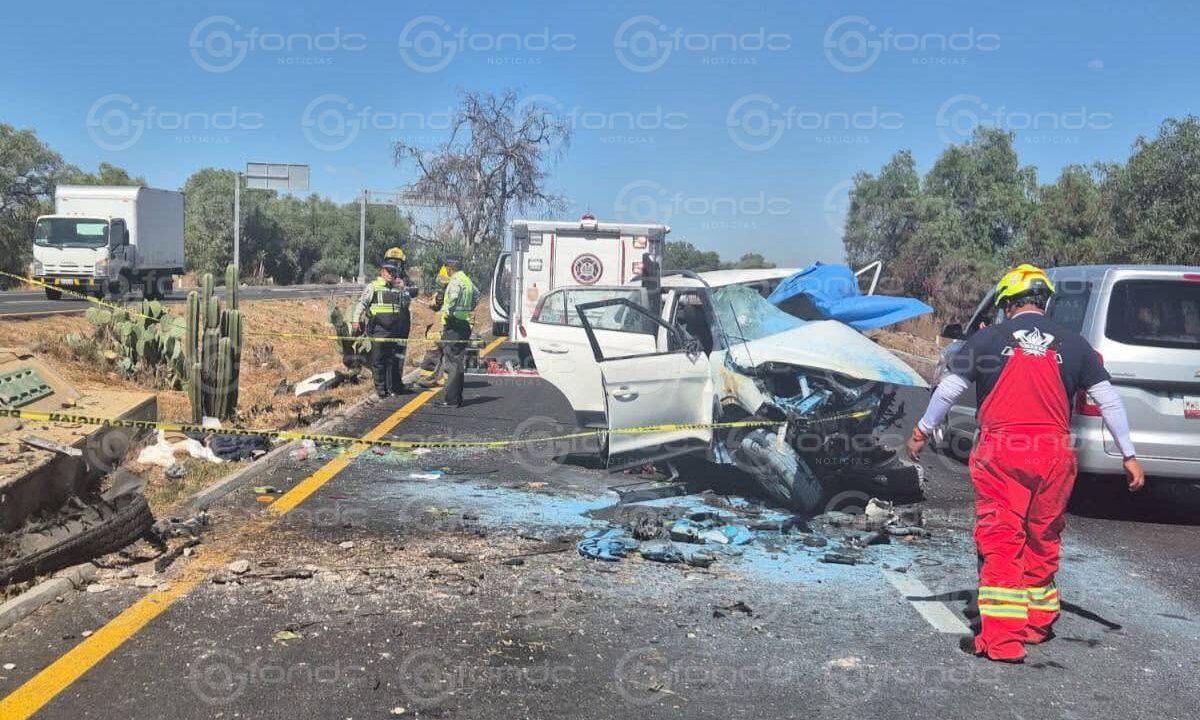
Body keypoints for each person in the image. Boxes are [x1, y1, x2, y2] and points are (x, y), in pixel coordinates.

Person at [907, 264, 1145, 664]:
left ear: (1007, 303)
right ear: (1043, 302)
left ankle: (1001, 642)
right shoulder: (1075, 344)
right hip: (1054, 455)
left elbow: (949, 388)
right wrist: (1129, 455)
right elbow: (1109, 400)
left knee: (1001, 541)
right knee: (1042, 538)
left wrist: (921, 430)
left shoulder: (988, 339)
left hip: (1004, 451)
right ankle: (1036, 625)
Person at [351, 255, 411, 399]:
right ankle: (381, 390)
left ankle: (390, 389)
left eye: (394, 272)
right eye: (389, 271)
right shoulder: (373, 287)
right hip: (378, 329)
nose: (391, 274)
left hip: (393, 330)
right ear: (382, 271)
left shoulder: (396, 289)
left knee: (391, 360)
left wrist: (404, 290)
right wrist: (355, 320)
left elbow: (406, 303)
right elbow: (362, 304)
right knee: (378, 360)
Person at [435, 257, 475, 408]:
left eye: (446, 268)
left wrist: (448, 313)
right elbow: (476, 296)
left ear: (450, 268)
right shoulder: (467, 280)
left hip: (454, 325)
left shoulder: (455, 280)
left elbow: (453, 297)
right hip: (464, 324)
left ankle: (450, 400)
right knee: (458, 362)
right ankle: (457, 398)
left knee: (451, 363)